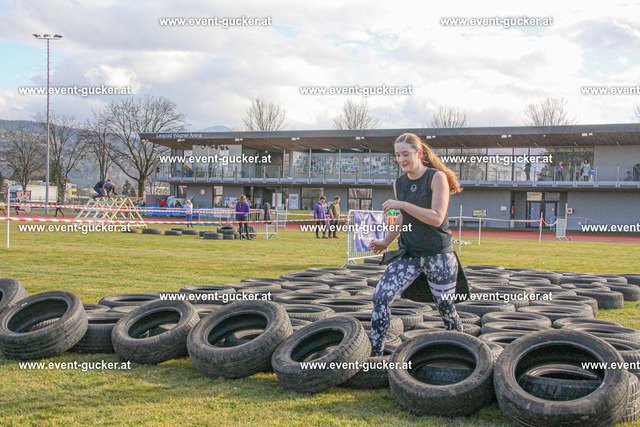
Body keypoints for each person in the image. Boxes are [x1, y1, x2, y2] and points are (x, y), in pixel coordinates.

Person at [368, 132, 468, 357]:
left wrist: (403, 204)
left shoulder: (436, 177)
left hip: (438, 254)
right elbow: (403, 218)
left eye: (405, 154)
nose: (401, 159)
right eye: (397, 155)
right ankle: (376, 355)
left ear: (419, 153)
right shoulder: (399, 183)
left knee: (445, 307)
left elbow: (436, 218)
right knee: (380, 297)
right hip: (410, 254)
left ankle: (463, 351)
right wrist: (385, 241)